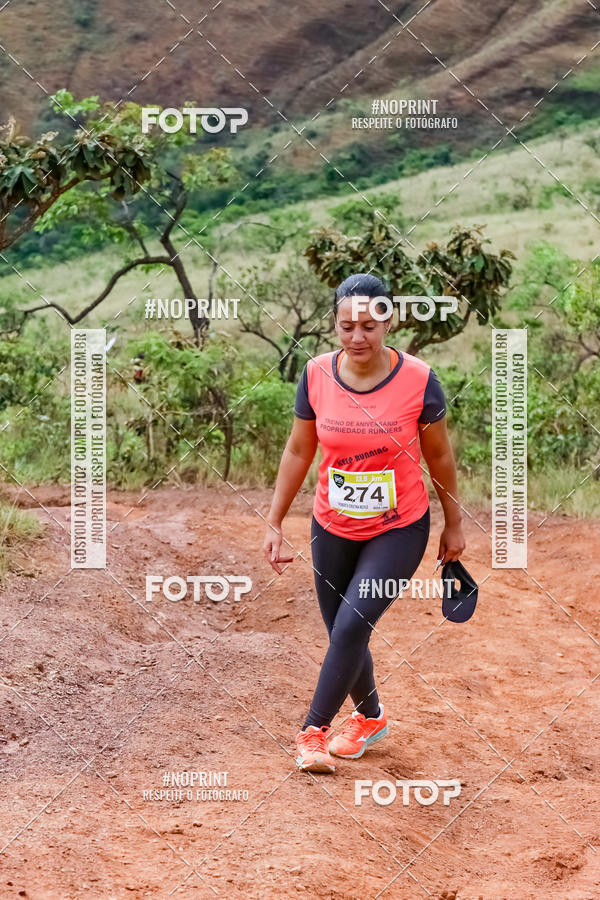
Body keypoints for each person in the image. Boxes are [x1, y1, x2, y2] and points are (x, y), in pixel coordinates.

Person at [262, 273, 466, 773]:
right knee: (342, 633)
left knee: (352, 624)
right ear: (334, 324)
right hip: (331, 522)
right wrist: (274, 521)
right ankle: (371, 716)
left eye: (369, 326)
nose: (357, 337)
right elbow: (297, 449)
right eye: (346, 326)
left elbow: (438, 456)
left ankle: (312, 731)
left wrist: (454, 523)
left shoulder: (418, 379)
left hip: (400, 526)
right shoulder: (315, 375)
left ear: (389, 321)